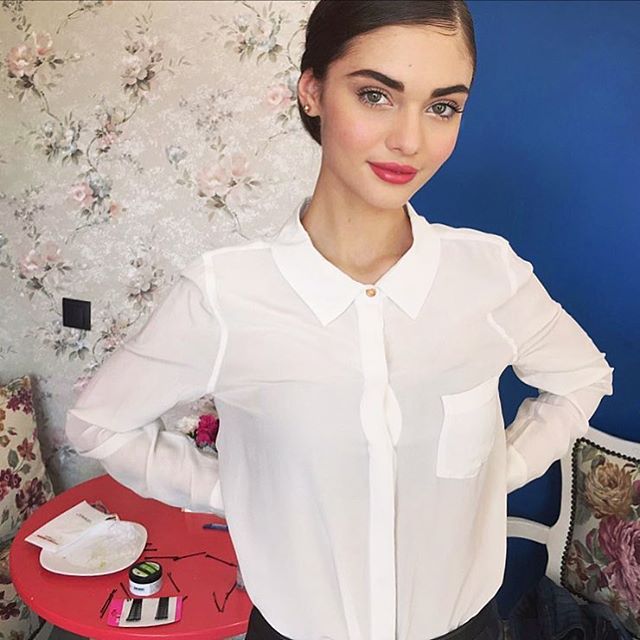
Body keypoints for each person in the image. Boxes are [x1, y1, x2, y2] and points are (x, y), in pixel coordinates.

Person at [65, 1, 615, 639]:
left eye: (442, 106)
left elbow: (583, 377)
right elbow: (97, 423)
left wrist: (503, 468)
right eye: (376, 95)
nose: (410, 140)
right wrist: (231, 491)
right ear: (312, 91)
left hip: (463, 626)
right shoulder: (226, 294)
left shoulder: (489, 276)